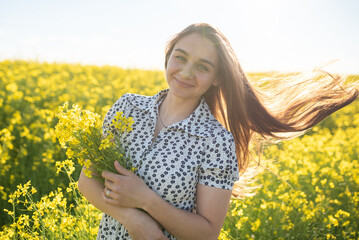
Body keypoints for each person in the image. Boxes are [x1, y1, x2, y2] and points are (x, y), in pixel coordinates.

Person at [78, 23, 358, 240]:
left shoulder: (217, 141)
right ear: (168, 56)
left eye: (202, 67)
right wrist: (135, 219)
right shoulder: (128, 107)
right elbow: (87, 181)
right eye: (181, 57)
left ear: (216, 78)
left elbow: (208, 232)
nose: (186, 73)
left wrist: (148, 201)